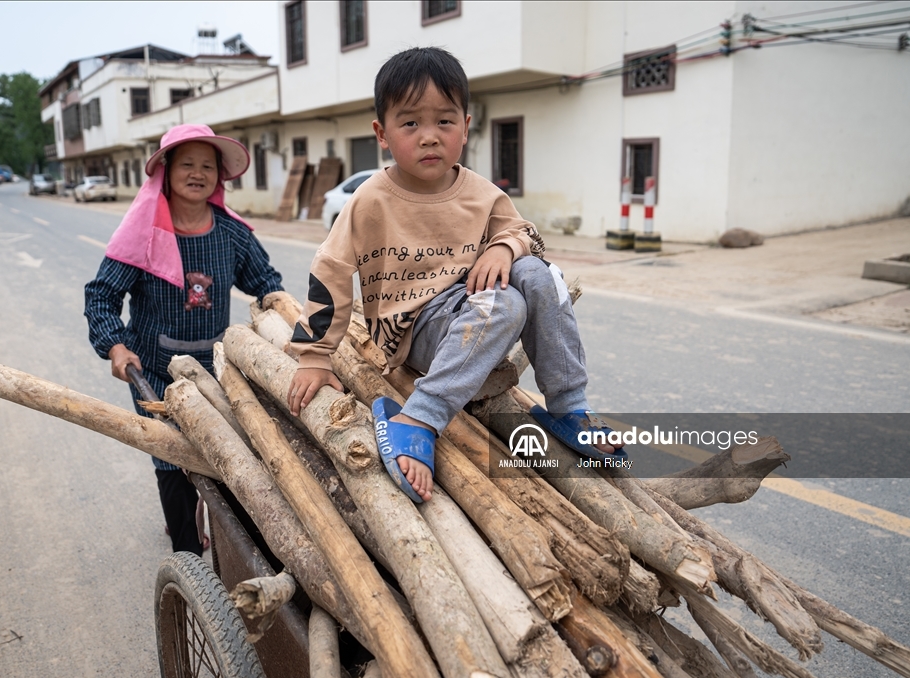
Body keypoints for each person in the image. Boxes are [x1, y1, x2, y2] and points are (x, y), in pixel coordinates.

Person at [287, 47, 620, 504]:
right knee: (507, 303)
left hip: (471, 310)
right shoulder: (370, 200)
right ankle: (418, 417)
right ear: (382, 134)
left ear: (466, 126)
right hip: (410, 328)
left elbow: (524, 232)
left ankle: (568, 407)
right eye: (410, 124)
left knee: (542, 274)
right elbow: (331, 270)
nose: (429, 137)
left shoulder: (481, 192)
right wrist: (314, 356)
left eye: (444, 121)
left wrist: (503, 246)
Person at [85, 124, 284, 554]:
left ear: (219, 177)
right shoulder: (143, 235)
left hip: (218, 371)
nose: (198, 173)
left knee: (228, 458)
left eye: (207, 166)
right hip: (156, 373)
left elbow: (265, 282)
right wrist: (115, 346)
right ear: (166, 172)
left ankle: (237, 552)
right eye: (187, 164)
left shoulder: (233, 235)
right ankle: (188, 555)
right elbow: (101, 295)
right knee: (172, 460)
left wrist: (281, 310)